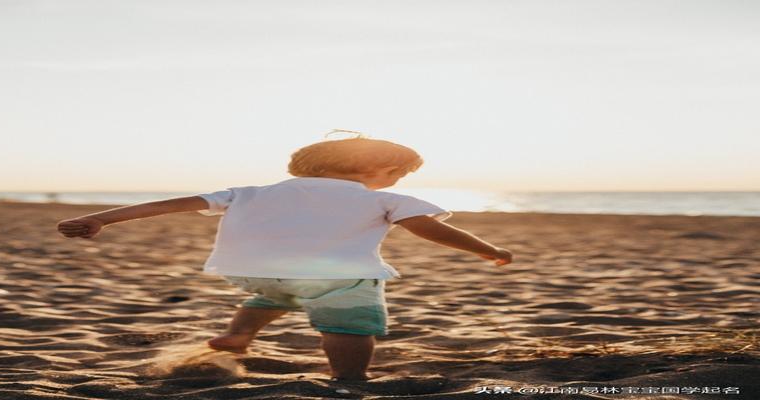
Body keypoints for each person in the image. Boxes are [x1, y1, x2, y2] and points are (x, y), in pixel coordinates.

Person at [56, 132, 513, 381]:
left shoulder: (251, 191)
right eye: (397, 174)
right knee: (348, 323)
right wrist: (487, 250)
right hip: (340, 278)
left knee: (277, 293)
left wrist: (102, 219)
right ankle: (348, 377)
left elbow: (174, 203)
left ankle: (237, 336)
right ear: (383, 171)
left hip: (253, 272)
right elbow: (430, 227)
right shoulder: (381, 199)